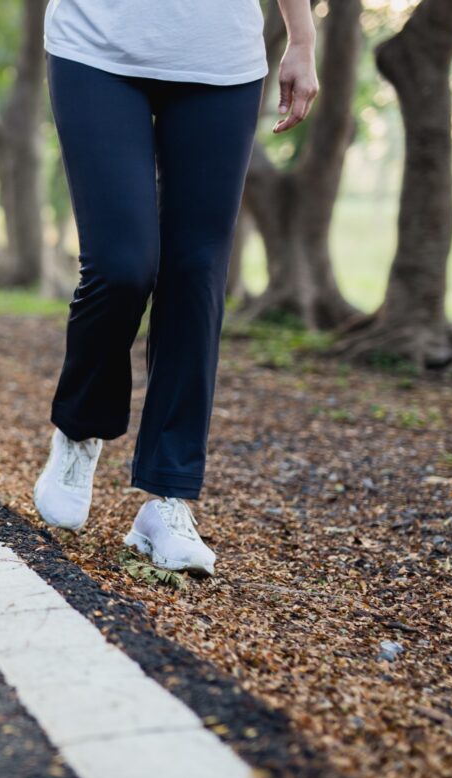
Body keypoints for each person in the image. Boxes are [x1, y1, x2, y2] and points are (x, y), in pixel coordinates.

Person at [33, 0, 319, 575]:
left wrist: (303, 39)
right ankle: (80, 429)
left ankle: (168, 497)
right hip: (97, 44)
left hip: (221, 62)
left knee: (195, 276)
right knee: (122, 265)